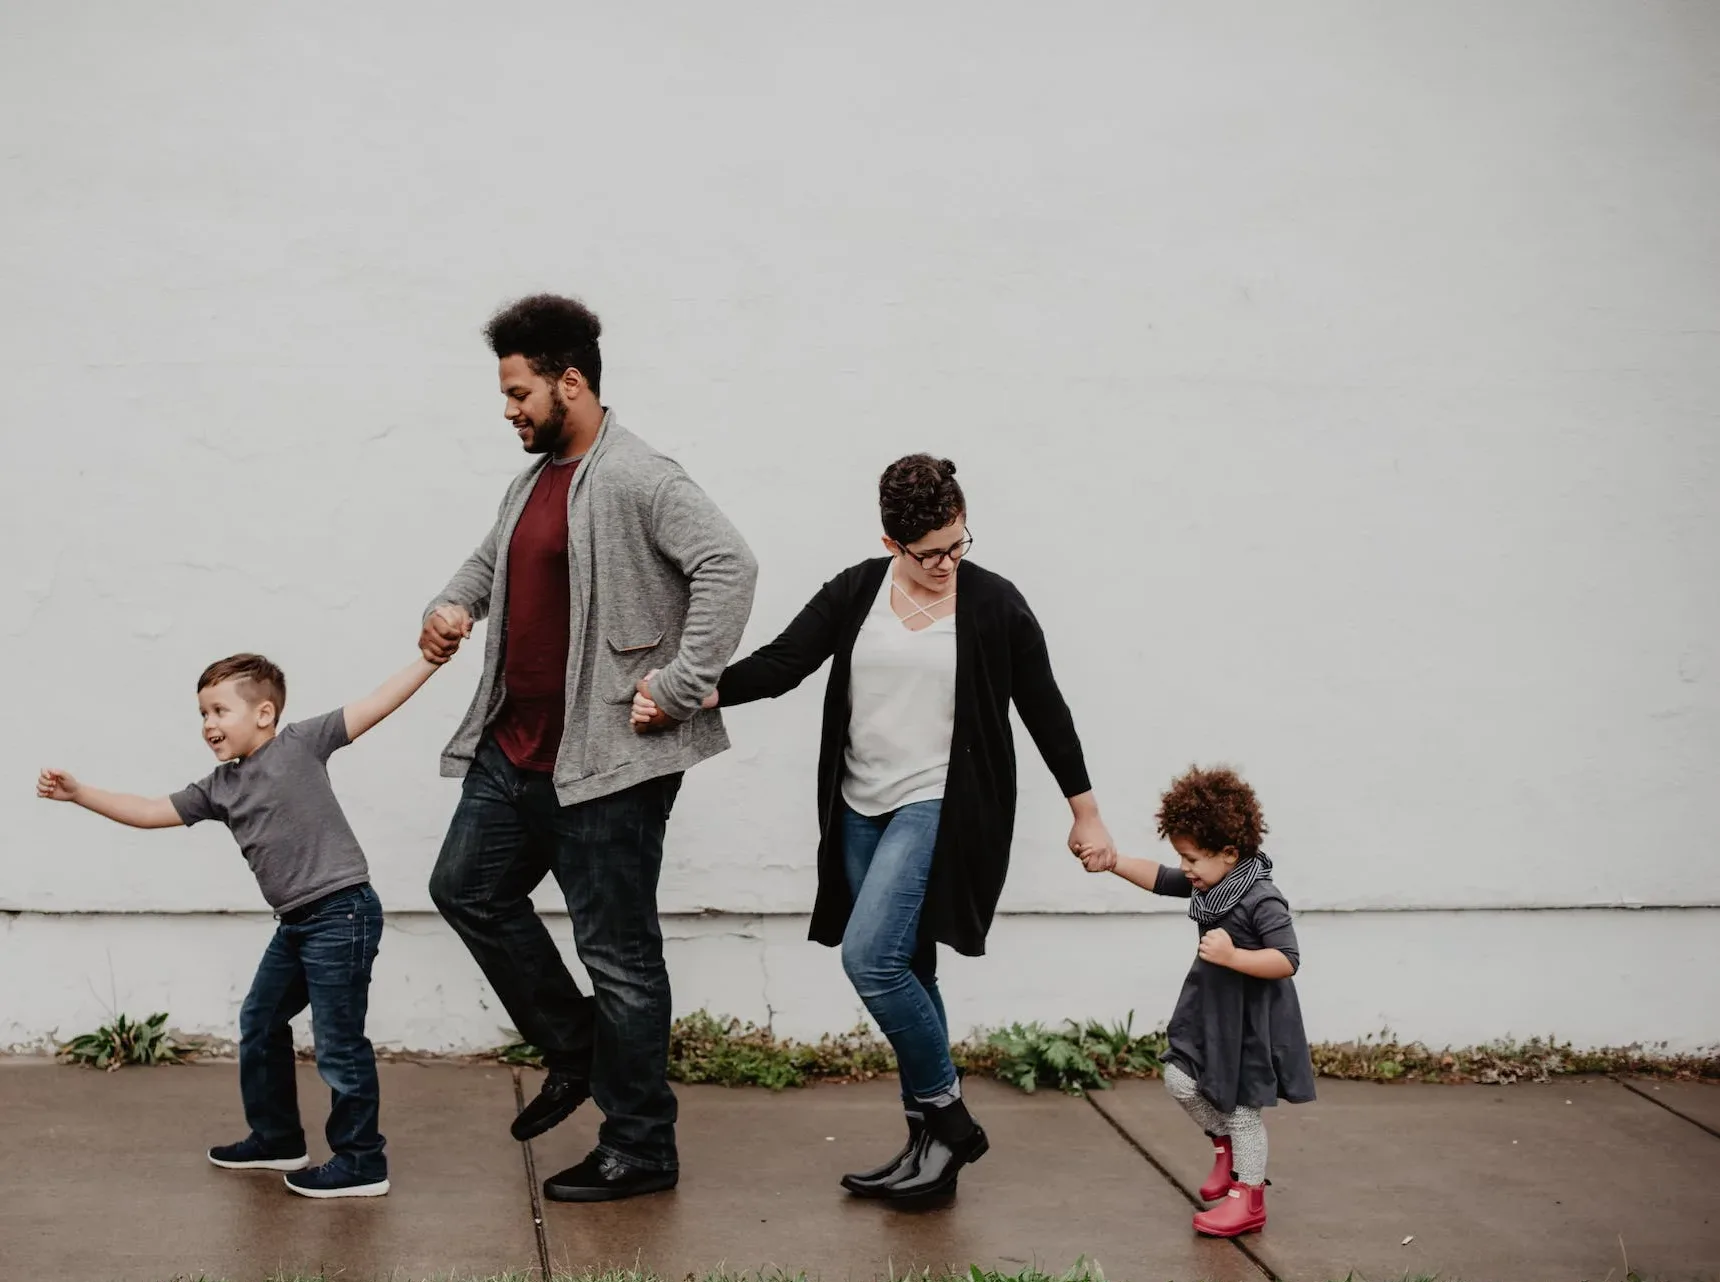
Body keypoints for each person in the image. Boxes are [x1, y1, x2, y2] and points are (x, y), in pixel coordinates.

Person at [631, 455, 1115, 1205]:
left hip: (939, 802)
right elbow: (784, 663)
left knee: (872, 961)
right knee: (911, 967)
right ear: (892, 543)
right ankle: (929, 1148)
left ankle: (951, 1121)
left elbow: (1045, 708)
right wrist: (689, 694)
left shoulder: (995, 604)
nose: (947, 563)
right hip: (859, 805)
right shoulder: (858, 590)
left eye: (957, 544)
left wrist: (1085, 811)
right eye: (929, 553)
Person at [420, 294, 757, 1203]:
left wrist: (680, 684)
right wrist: (451, 604)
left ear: (570, 382)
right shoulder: (532, 481)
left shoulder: (640, 476)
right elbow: (491, 561)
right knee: (465, 888)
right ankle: (577, 1049)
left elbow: (730, 565)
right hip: (514, 749)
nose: (508, 409)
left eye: (518, 391)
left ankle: (641, 1143)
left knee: (619, 955)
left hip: (606, 761)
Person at [36, 651, 444, 1198]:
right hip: (295, 924)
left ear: (264, 713)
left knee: (338, 1042)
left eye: (220, 711)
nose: (208, 724)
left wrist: (430, 660)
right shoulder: (220, 787)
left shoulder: (301, 743)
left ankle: (361, 1161)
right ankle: (277, 1138)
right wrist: (79, 794)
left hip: (341, 913)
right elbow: (151, 810)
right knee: (261, 1020)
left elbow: (376, 703)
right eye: (202, 714)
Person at [1080, 765, 1315, 1237]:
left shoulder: (1261, 898)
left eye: (1192, 858)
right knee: (1179, 1078)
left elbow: (1287, 959)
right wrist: (1113, 861)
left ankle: (1248, 1199)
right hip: (1211, 1012)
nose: (1185, 868)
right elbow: (1160, 877)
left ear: (1229, 853)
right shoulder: (1211, 884)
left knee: (1241, 1110)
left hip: (1249, 1022)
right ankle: (1224, 1148)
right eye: (1181, 857)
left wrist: (1234, 956)